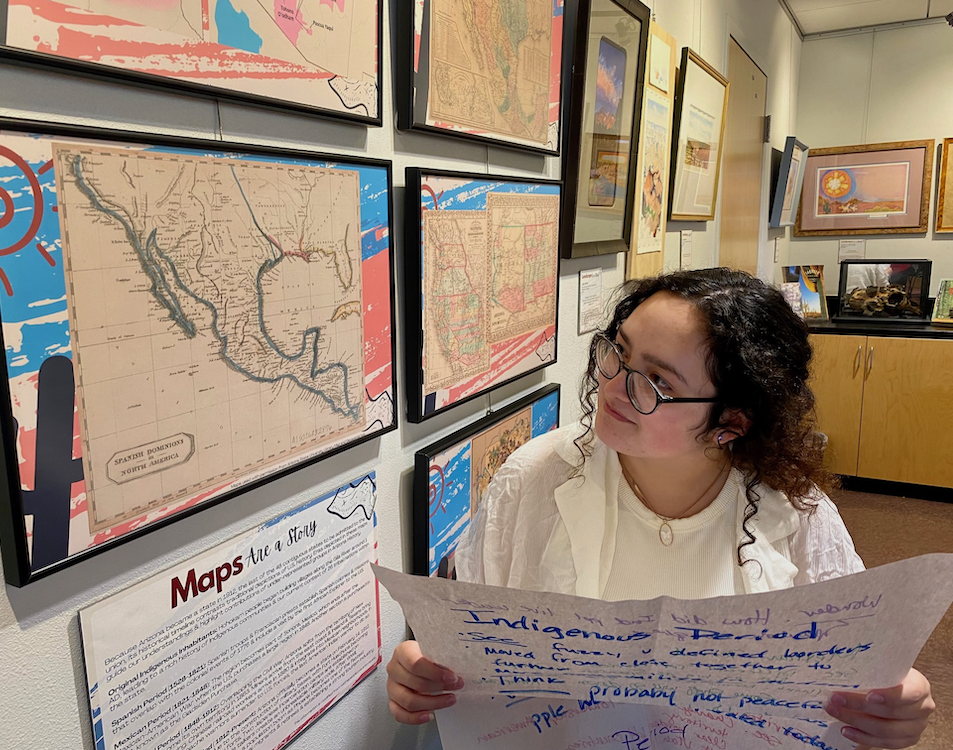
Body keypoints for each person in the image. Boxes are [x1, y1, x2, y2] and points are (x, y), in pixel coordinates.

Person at [386, 268, 935, 748]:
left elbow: (862, 670)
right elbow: (466, 651)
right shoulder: (534, 479)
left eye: (656, 381)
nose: (614, 386)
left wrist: (897, 702)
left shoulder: (794, 512)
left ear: (731, 423)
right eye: (618, 353)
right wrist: (420, 670)